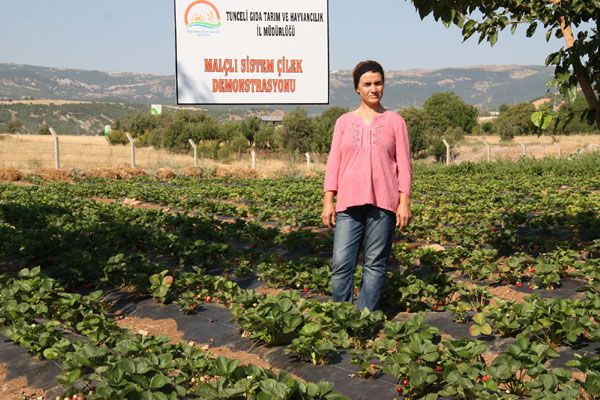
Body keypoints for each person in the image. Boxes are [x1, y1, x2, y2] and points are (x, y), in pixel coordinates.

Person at [321, 60, 412, 311]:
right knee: (341, 261)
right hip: (348, 203)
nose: (374, 89)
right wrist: (328, 200)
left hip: (383, 203)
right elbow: (334, 163)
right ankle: (341, 314)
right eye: (367, 84)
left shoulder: (396, 122)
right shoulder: (344, 122)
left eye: (378, 83)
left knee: (375, 263)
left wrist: (404, 202)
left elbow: (404, 165)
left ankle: (364, 317)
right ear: (357, 88)